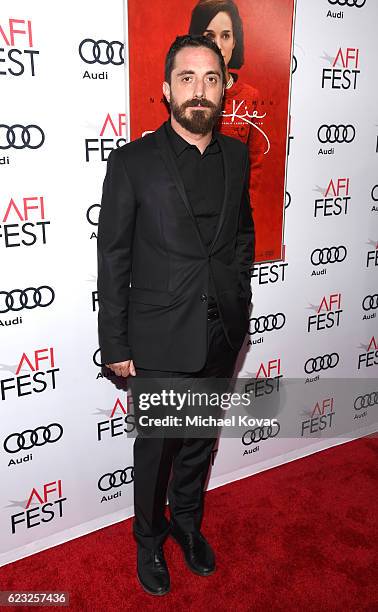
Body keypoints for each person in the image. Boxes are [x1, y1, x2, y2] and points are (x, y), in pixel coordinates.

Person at [97, 34, 254, 596]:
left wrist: (241, 302)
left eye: (211, 78)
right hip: (158, 336)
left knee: (198, 441)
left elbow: (241, 236)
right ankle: (148, 539)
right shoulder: (132, 161)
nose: (199, 90)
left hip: (220, 332)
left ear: (225, 87)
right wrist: (114, 344)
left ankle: (187, 524)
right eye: (187, 78)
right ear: (166, 89)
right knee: (157, 447)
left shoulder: (237, 155)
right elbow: (113, 256)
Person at [189, 0, 266, 207]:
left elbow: (256, 162)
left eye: (225, 35)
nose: (219, 45)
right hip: (190, 209)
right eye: (209, 36)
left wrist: (244, 211)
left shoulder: (251, 97)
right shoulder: (186, 93)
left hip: (233, 213)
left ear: (234, 41)